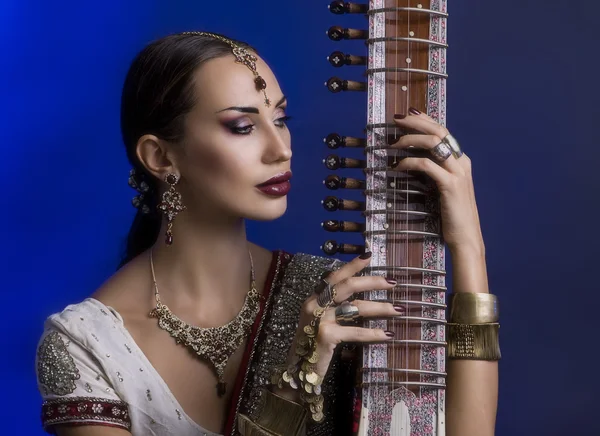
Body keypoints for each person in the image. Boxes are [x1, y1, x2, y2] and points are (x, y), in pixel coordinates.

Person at [35, 31, 500, 436]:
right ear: (159, 157)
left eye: (280, 119)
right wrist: (294, 387)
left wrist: (470, 248)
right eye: (242, 127)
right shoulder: (86, 349)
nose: (281, 150)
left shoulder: (336, 298)